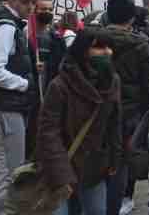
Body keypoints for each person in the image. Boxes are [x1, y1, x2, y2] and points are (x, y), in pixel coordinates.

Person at [35, 29, 122, 215]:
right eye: (99, 47)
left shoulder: (113, 81)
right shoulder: (60, 85)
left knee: (97, 211)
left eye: (109, 47)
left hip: (94, 167)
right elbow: (48, 132)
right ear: (82, 51)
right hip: (60, 164)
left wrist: (114, 157)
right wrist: (61, 172)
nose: (107, 52)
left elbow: (113, 123)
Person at [0, 0, 40, 215]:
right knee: (5, 171)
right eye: (25, 2)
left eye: (33, 2)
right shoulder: (7, 25)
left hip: (1, 105)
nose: (30, 7)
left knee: (1, 169)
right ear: (11, 0)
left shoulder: (2, 20)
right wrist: (24, 84)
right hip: (5, 106)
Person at [104, 0, 149, 215]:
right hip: (128, 116)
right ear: (132, 19)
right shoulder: (142, 46)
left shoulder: (89, 39)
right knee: (120, 168)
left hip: (93, 113)